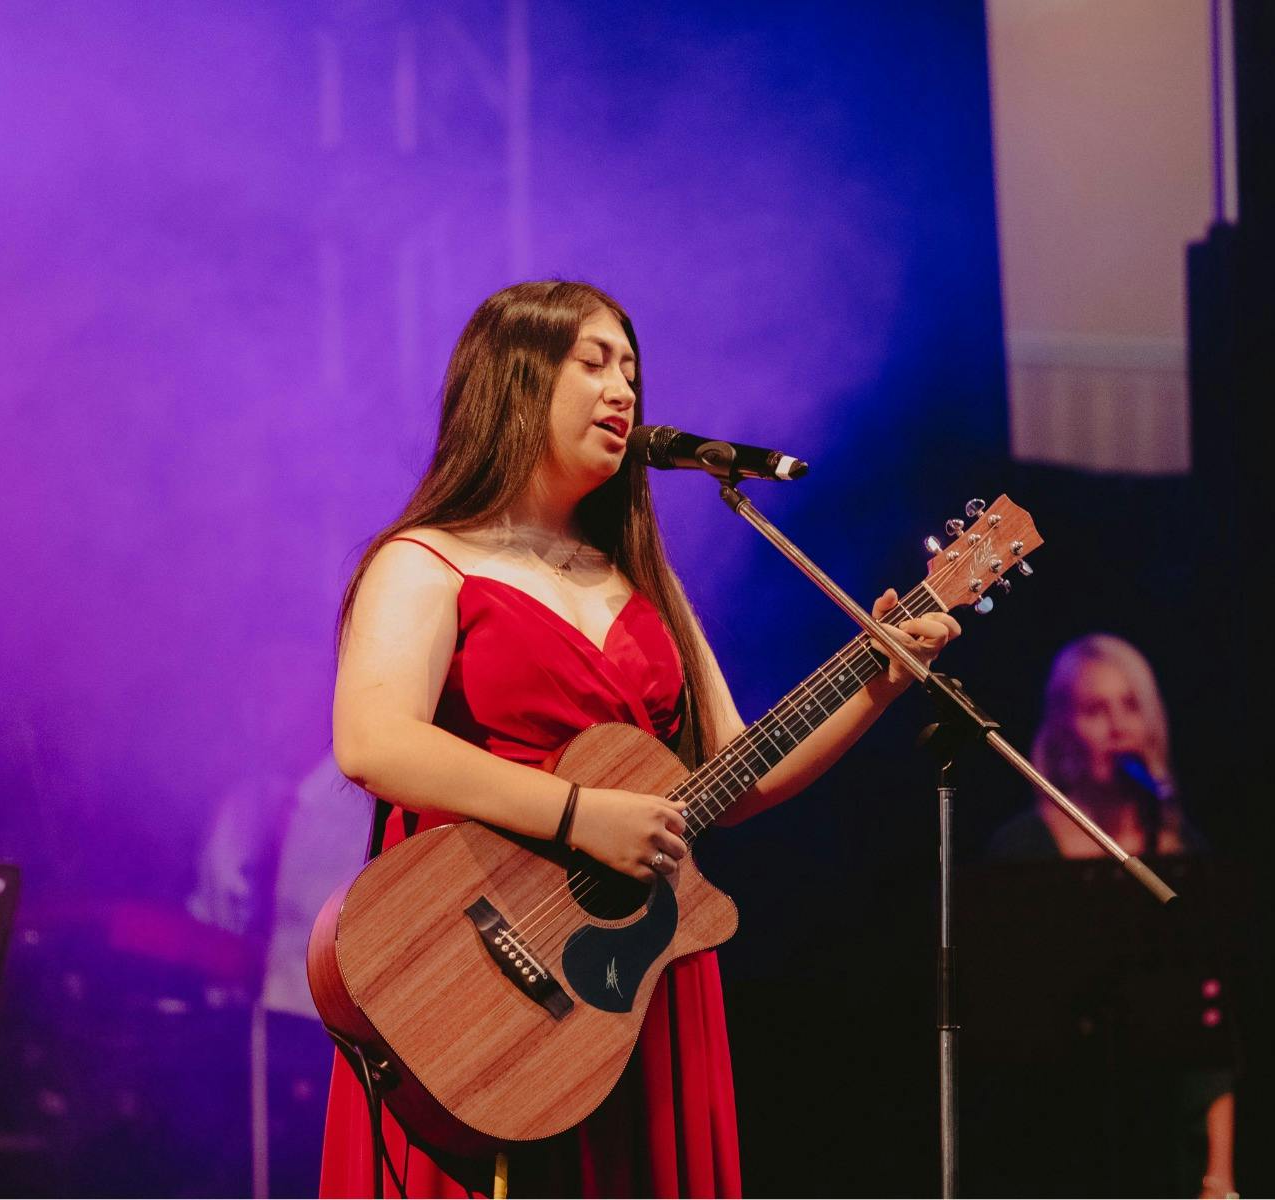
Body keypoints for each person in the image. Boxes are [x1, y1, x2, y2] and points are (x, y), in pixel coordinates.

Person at [320, 280, 961, 1198]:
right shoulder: (427, 559)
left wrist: (879, 685)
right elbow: (373, 742)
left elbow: (732, 775)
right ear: (514, 378)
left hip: (628, 981)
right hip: (478, 961)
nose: (624, 390)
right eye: (593, 363)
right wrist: (582, 815)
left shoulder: (644, 581)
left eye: (631, 368)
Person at [983, 633, 1235, 1199]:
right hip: (1052, 1148)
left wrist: (1219, 1174)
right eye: (1096, 710)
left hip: (1169, 1149)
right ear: (1063, 730)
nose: (1119, 727)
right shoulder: (1022, 851)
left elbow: (1214, 1040)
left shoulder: (1181, 850)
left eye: (1130, 706)